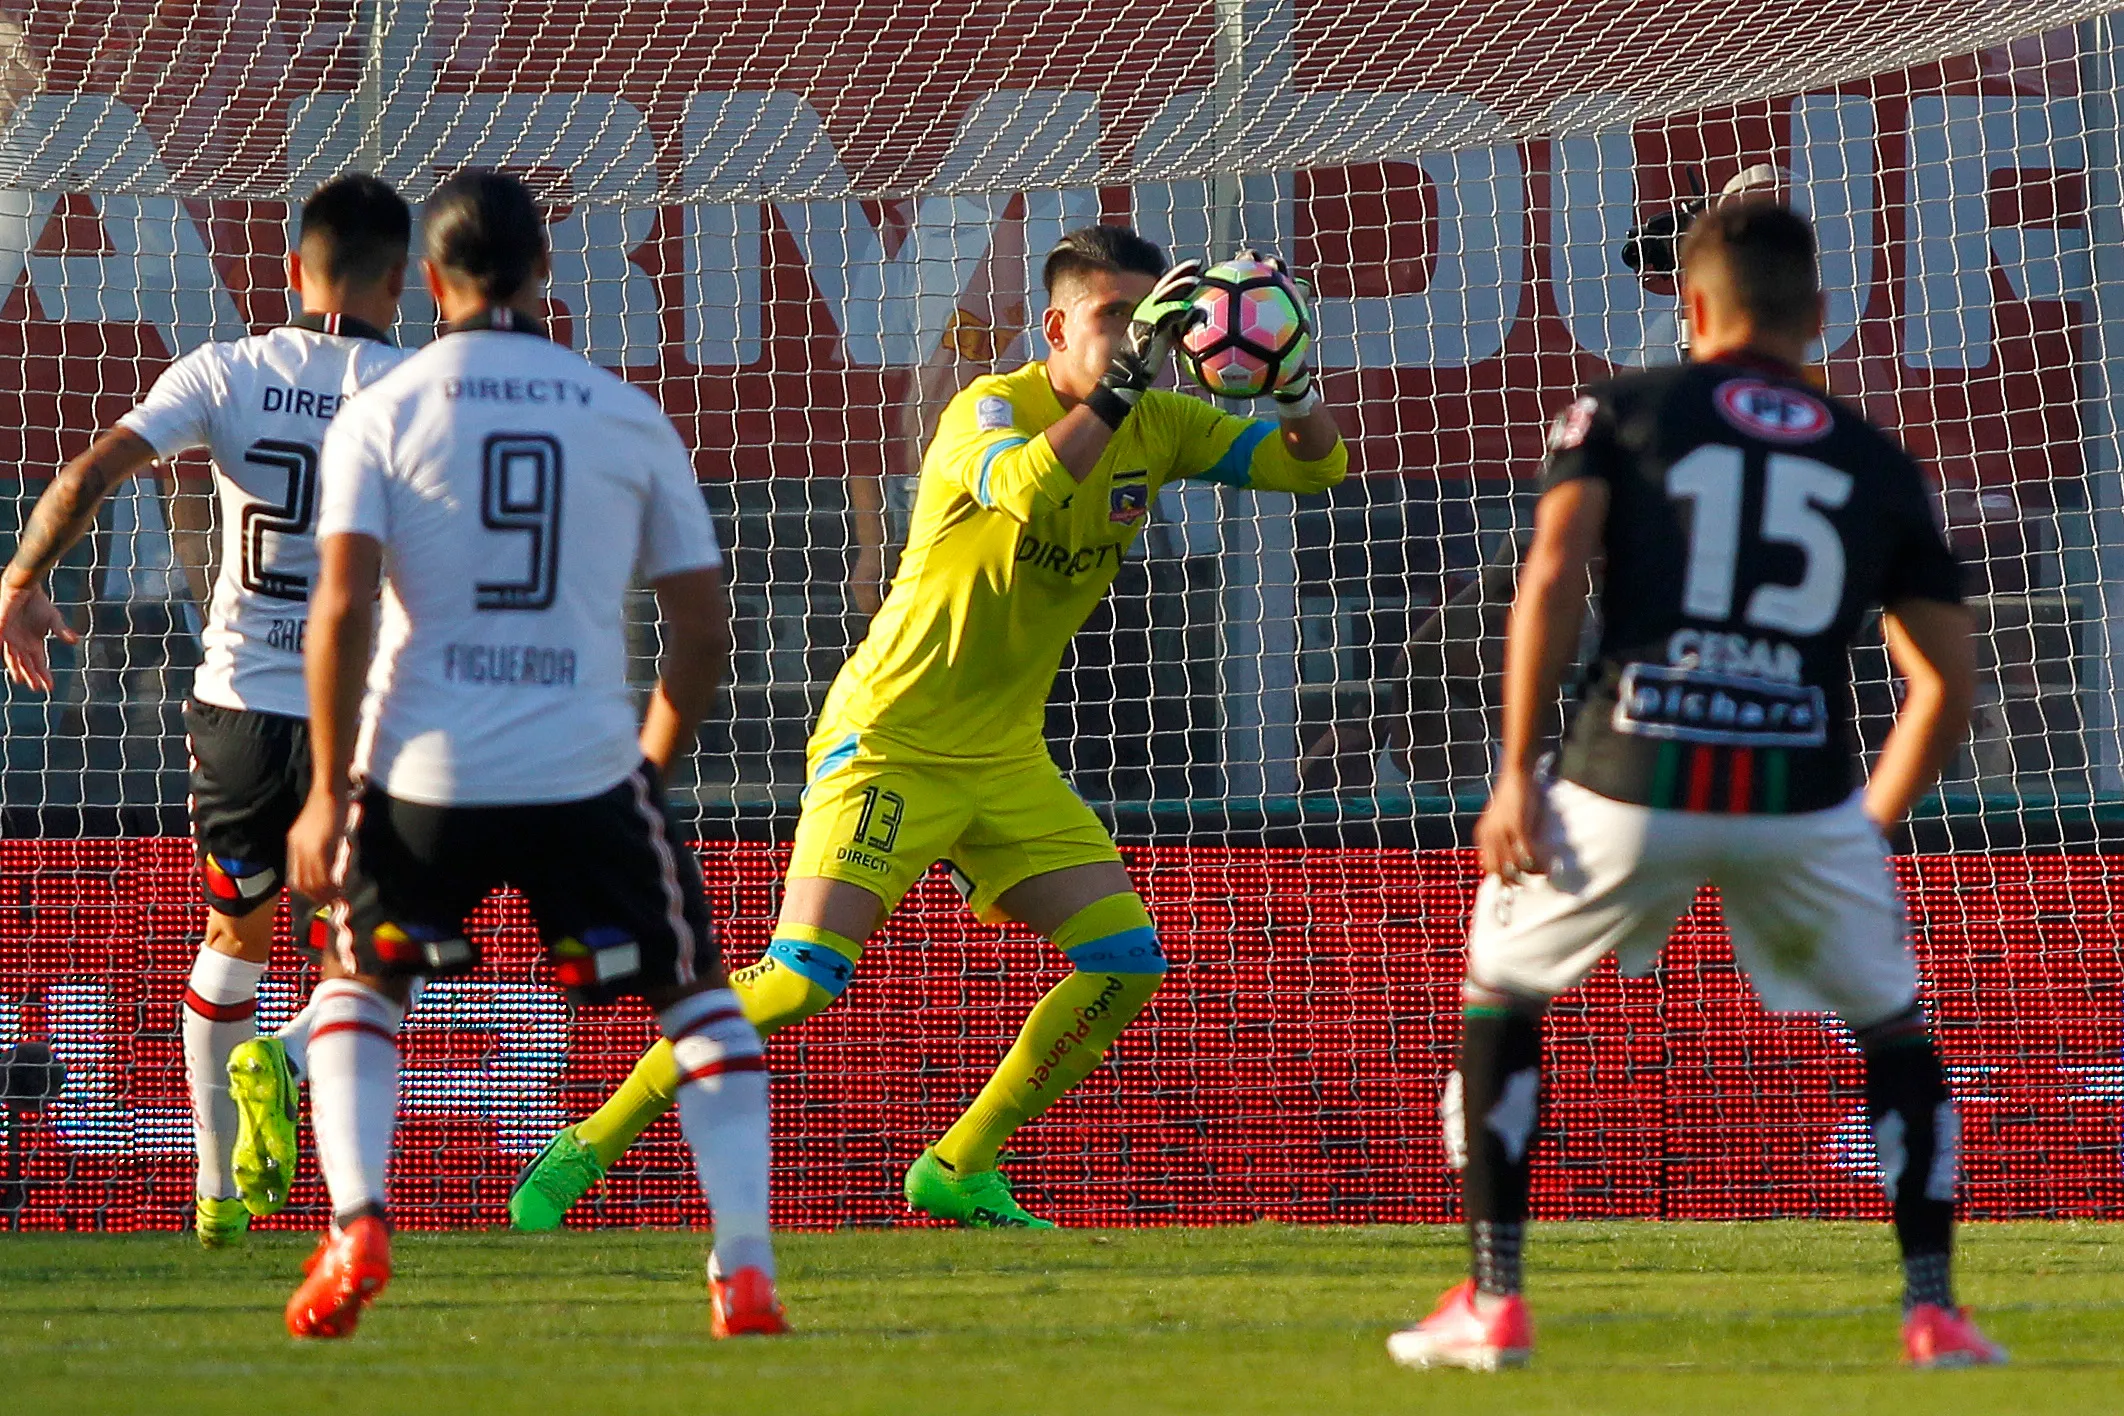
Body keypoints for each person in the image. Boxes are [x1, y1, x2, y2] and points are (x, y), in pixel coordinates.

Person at [508, 225, 1347, 1231]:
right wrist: (1124, 382)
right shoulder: (984, 410)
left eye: (1146, 319)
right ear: (1056, 326)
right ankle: (583, 1145)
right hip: (891, 740)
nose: (1137, 338)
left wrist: (1291, 382)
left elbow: (1316, 467)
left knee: (1126, 961)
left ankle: (957, 1165)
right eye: (1114, 318)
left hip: (1004, 757)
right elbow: (1036, 489)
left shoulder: (1160, 424)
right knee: (799, 981)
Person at [1386, 198, 2003, 1371]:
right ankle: (1935, 1311)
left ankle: (1494, 1299)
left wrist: (1515, 772)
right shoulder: (1874, 457)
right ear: (1821, 317)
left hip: (1625, 777)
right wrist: (1863, 828)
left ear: (1695, 307)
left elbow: (1555, 577)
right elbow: (1946, 689)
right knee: (1892, 1029)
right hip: (1803, 800)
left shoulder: (1620, 412)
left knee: (1504, 993)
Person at [281, 169, 780, 1340]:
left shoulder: (385, 411)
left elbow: (342, 611)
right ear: (543, 272)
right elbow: (704, 630)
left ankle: (357, 1222)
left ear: (420, 281)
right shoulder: (623, 412)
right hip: (584, 771)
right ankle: (745, 1268)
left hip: (422, 773)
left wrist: (320, 791)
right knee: (699, 1003)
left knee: (362, 983)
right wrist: (644, 767)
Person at [0, 174, 414, 1247]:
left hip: (232, 709)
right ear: (399, 282)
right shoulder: (423, 391)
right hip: (363, 715)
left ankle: (215, 1194)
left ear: (294, 274)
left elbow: (94, 468)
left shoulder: (230, 368)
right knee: (379, 951)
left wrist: (21, 581)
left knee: (234, 933)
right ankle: (283, 1070)